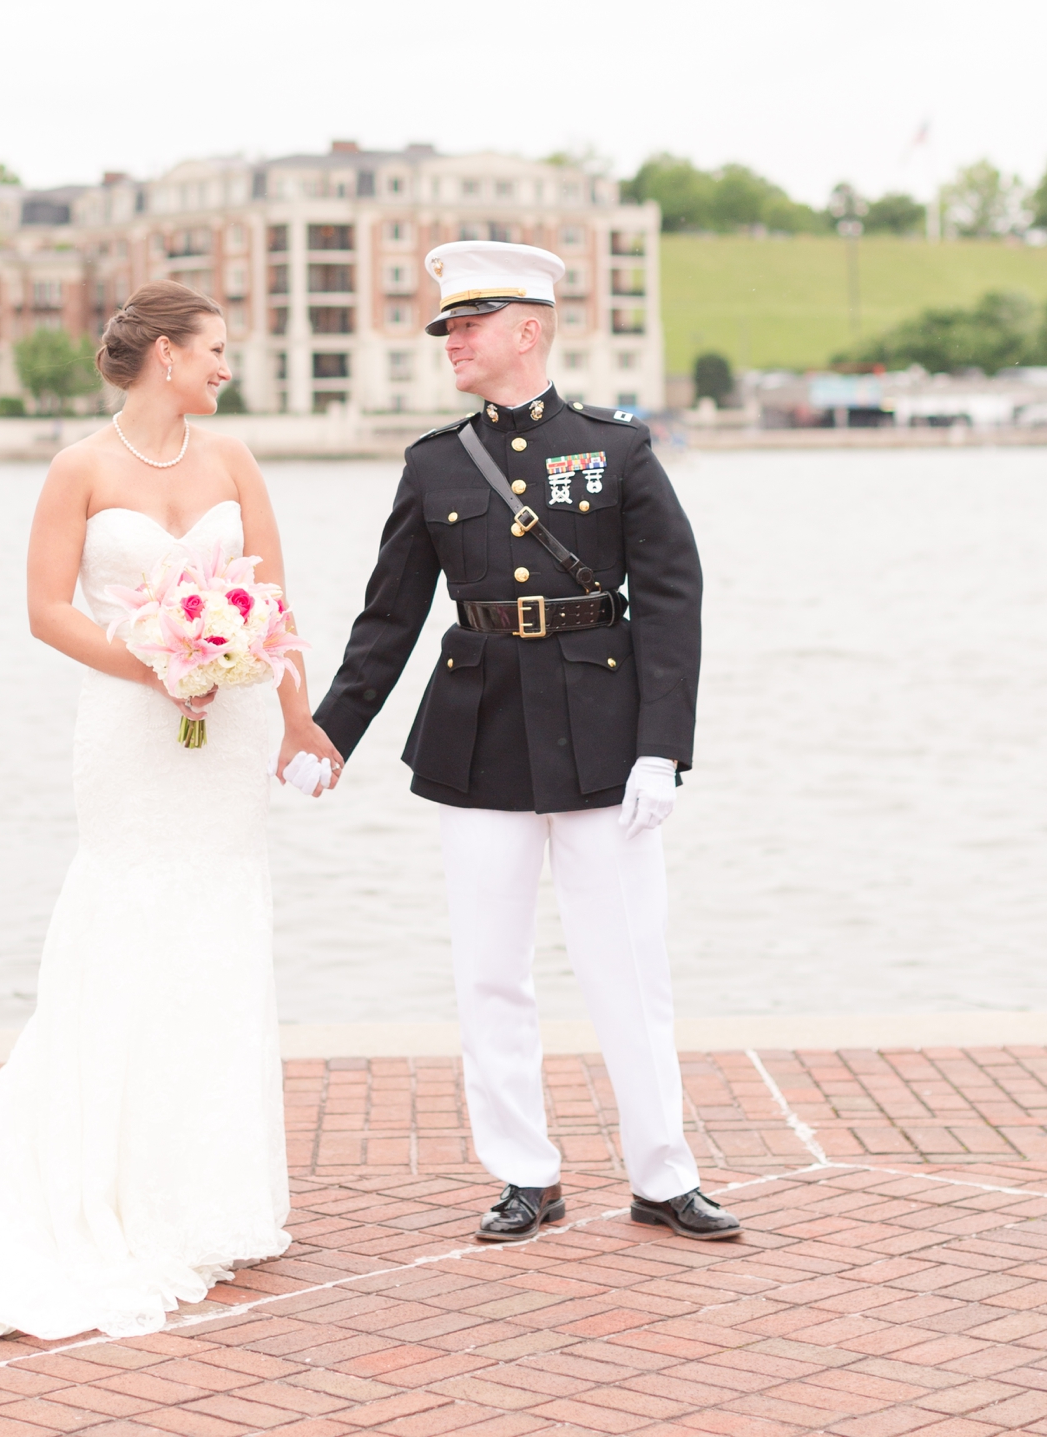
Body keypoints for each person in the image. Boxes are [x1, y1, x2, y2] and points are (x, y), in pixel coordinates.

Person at [0, 281, 341, 1348]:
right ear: (166, 358)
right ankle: (97, 1183)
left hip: (227, 730)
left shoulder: (234, 463)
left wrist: (294, 717)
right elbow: (47, 609)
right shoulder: (79, 469)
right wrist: (154, 664)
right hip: (132, 731)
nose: (230, 366)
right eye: (217, 349)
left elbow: (270, 603)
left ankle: (204, 1194)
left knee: (220, 935)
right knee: (127, 928)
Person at [314, 242, 739, 1244]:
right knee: (490, 970)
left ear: (529, 331)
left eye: (469, 324)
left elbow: (673, 601)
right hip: (481, 738)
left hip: (605, 733)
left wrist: (661, 747)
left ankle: (661, 1174)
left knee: (628, 967)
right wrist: (330, 734)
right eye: (448, 327)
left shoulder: (619, 450)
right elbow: (389, 620)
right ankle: (524, 1174)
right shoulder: (433, 464)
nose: (452, 342)